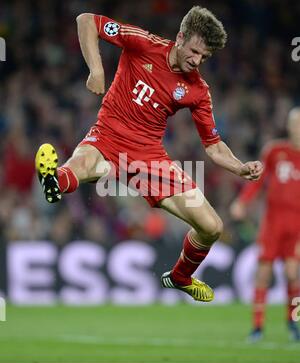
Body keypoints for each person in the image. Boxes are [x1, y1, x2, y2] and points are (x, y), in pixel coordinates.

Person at [35, 6, 263, 302]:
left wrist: (240, 168)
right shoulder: (143, 42)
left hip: (150, 159)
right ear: (180, 37)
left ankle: (180, 276)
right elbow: (86, 21)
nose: (196, 61)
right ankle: (55, 181)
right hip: (108, 137)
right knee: (85, 163)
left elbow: (214, 146)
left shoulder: (198, 91)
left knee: (212, 227)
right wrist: (96, 69)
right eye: (194, 51)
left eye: (204, 57)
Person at [230, 107, 300, 341]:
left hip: (297, 224)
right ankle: (257, 327)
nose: (297, 128)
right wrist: (242, 202)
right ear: (289, 126)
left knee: (293, 274)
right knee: (263, 274)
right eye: (295, 123)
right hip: (273, 222)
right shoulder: (274, 151)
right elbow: (257, 182)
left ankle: (293, 323)